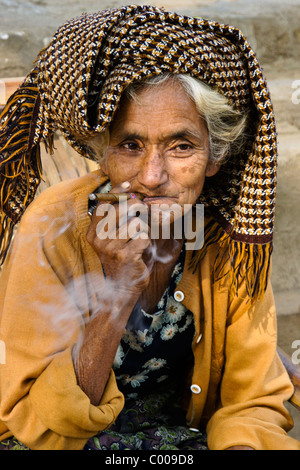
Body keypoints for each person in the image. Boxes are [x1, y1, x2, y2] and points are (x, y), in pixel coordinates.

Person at [0, 5, 299, 451]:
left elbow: (251, 402)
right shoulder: (52, 226)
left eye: (181, 146)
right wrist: (118, 289)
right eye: (130, 145)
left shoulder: (227, 237)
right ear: (102, 154)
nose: (152, 175)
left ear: (214, 158)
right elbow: (34, 423)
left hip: (179, 442)